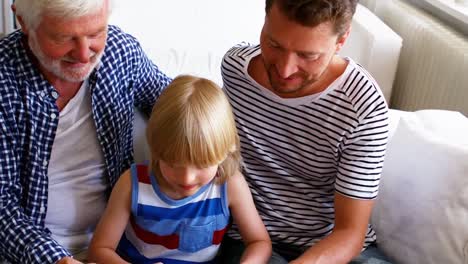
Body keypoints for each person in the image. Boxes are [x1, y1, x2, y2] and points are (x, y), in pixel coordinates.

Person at [218, 0, 391, 263]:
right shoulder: (235, 70)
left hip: (333, 245)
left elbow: (350, 233)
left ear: (341, 41)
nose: (285, 69)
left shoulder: (362, 106)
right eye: (274, 44)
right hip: (251, 239)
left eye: (308, 55)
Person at [0, 0, 171, 263]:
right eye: (63, 38)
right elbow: (3, 206)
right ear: (24, 22)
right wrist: (58, 260)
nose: (83, 54)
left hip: (121, 243)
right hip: (31, 254)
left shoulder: (121, 52)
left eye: (95, 33)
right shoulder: (4, 79)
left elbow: (178, 108)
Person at [87, 75, 272, 264]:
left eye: (201, 165)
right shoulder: (132, 184)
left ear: (225, 151)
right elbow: (99, 249)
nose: (187, 178)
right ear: (156, 149)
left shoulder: (229, 185)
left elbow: (259, 242)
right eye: (172, 163)